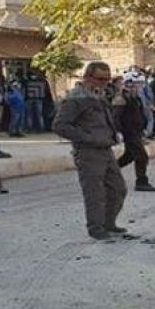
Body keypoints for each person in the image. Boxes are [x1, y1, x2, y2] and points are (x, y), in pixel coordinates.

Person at [53, 62, 127, 240]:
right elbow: (60, 125)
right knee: (95, 193)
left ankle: (108, 223)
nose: (104, 83)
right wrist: (88, 137)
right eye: (100, 79)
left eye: (107, 79)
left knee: (118, 189)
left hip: (105, 149)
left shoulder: (97, 95)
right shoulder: (76, 98)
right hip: (88, 152)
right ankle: (96, 228)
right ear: (87, 77)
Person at [113, 71, 155, 192]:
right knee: (142, 157)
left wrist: (143, 129)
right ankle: (141, 182)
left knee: (129, 156)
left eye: (140, 84)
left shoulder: (136, 98)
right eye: (136, 84)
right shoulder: (121, 99)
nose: (139, 87)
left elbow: (140, 114)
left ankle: (109, 171)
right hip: (129, 133)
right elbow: (115, 117)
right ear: (128, 84)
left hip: (136, 132)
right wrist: (118, 132)